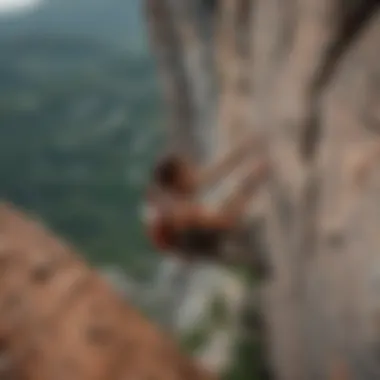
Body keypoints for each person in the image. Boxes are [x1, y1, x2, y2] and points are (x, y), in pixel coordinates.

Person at [142, 135, 271, 275]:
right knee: (243, 227)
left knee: (226, 201)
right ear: (178, 180)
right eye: (187, 170)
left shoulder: (173, 191)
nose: (191, 170)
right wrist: (252, 181)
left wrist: (243, 149)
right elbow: (226, 220)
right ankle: (251, 262)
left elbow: (212, 173)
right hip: (209, 243)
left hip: (197, 236)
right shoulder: (181, 214)